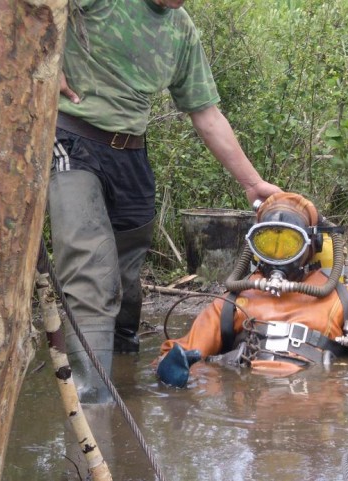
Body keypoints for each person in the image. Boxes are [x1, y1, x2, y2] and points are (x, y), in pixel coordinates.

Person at [49, 0, 280, 404]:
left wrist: (252, 181)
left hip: (130, 153)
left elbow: (206, 114)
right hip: (70, 137)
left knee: (124, 275)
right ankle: (94, 403)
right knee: (89, 269)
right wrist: (43, 60)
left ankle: (123, 369)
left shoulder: (182, 30)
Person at [156, 193, 348, 394]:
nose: (278, 255)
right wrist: (169, 368)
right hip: (248, 407)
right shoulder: (234, 300)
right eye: (269, 243)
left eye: (288, 243)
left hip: (314, 404)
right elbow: (183, 350)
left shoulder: (342, 300)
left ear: (311, 244)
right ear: (253, 245)